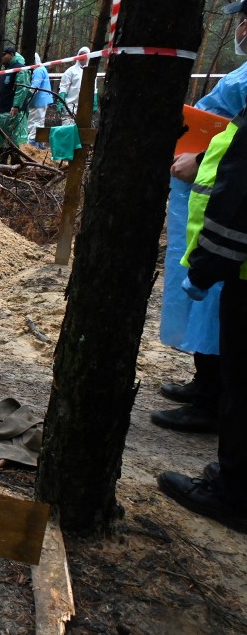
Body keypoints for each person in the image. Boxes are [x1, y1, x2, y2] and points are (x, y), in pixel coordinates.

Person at [154, 0, 247, 433]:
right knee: (206, 299)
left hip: (230, 209)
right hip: (207, 202)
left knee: (217, 301)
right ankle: (204, 381)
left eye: (245, 22)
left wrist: (203, 154)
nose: (241, 30)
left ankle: (212, 400)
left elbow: (241, 146)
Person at [157, 100, 247, 534]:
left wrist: (210, 263)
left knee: (242, 382)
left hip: (238, 267)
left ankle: (234, 492)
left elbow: (238, 197)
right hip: (236, 266)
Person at [0, 46, 31, 164]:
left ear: (11, 54)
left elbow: (22, 88)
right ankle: (3, 163)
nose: (1, 58)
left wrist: (16, 105)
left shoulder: (20, 69)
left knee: (13, 140)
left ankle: (16, 164)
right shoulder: (6, 69)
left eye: (3, 55)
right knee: (3, 138)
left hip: (14, 111)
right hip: (3, 109)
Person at [57, 46, 92, 121]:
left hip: (84, 108)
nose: (82, 56)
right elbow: (63, 87)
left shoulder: (90, 72)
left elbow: (93, 88)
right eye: (81, 54)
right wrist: (60, 102)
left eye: (84, 54)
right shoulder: (70, 71)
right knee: (67, 129)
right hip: (70, 107)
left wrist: (94, 103)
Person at [27, 53, 52, 149]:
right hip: (41, 100)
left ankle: (32, 144)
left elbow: (34, 87)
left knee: (34, 122)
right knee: (40, 122)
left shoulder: (38, 70)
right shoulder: (42, 69)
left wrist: (26, 97)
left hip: (37, 101)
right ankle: (39, 143)